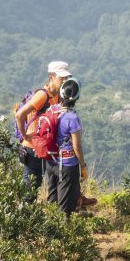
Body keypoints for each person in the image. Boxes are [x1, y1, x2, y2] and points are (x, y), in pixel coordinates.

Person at [14, 60, 70, 198]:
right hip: (32, 148)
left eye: (66, 78)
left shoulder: (58, 96)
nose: (64, 81)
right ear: (51, 77)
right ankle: (24, 217)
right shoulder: (42, 95)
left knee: (53, 182)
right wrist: (25, 136)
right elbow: (20, 115)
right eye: (61, 78)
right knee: (31, 189)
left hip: (46, 147)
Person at [43, 76, 88, 216]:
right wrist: (83, 166)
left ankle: (49, 230)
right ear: (76, 97)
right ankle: (64, 233)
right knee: (65, 206)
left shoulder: (52, 109)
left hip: (51, 161)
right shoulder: (72, 118)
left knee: (52, 200)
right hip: (67, 165)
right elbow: (77, 147)